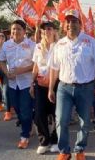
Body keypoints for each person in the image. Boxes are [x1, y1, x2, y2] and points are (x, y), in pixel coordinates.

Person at [48, 9, 95, 160]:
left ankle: (80, 149)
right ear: (63, 25)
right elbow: (54, 69)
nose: (70, 24)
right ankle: (64, 151)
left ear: (80, 24)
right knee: (61, 120)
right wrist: (50, 89)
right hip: (64, 88)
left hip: (85, 88)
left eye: (74, 21)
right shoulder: (59, 44)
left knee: (84, 121)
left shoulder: (90, 42)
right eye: (67, 21)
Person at [0, 20, 35, 149]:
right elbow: (1, 61)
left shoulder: (31, 44)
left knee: (25, 110)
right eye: (13, 29)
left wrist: (21, 70)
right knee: (16, 108)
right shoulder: (6, 45)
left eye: (19, 29)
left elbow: (36, 64)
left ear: (24, 31)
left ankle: (24, 136)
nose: (15, 31)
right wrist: (6, 72)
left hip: (26, 83)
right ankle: (28, 124)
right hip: (12, 83)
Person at [30, 21, 59, 155]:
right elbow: (36, 66)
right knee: (39, 114)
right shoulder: (38, 47)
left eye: (48, 29)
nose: (46, 32)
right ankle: (44, 141)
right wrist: (31, 83)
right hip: (40, 85)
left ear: (54, 31)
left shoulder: (59, 46)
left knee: (56, 114)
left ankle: (55, 140)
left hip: (57, 84)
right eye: (43, 30)